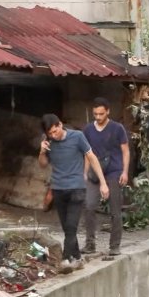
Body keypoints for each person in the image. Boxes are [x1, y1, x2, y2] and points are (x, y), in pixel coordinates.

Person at [38, 113, 108, 268]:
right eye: (50, 133)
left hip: (76, 188)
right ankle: (77, 258)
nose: (53, 135)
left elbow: (91, 157)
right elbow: (42, 164)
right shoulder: (48, 142)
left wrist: (103, 183)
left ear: (60, 125)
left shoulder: (77, 137)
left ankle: (66, 259)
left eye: (55, 131)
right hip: (58, 189)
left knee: (71, 226)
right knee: (67, 228)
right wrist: (42, 151)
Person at [82, 97, 130, 257]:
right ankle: (90, 244)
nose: (98, 117)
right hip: (94, 173)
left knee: (115, 210)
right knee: (89, 206)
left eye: (101, 114)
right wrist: (84, 173)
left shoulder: (117, 129)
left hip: (114, 171)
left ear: (108, 111)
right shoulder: (88, 130)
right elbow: (87, 154)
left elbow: (125, 151)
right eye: (95, 114)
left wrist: (125, 171)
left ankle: (114, 246)